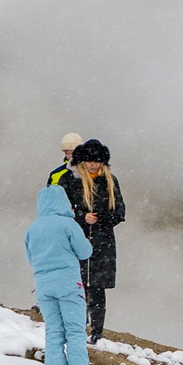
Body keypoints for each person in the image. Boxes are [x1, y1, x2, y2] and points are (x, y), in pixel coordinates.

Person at [47, 138, 127, 343]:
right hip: (76, 239)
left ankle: (97, 332)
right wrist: (82, 217)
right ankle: (78, 326)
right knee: (77, 284)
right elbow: (59, 209)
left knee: (97, 287)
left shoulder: (110, 181)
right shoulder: (70, 179)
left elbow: (120, 212)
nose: (93, 165)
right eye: (89, 161)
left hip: (102, 242)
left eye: (97, 161)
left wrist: (101, 219)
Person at [24, 182, 97, 365]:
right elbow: (85, 252)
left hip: (43, 285)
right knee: (75, 332)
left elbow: (31, 259)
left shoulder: (32, 229)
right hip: (68, 283)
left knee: (54, 332)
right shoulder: (68, 224)